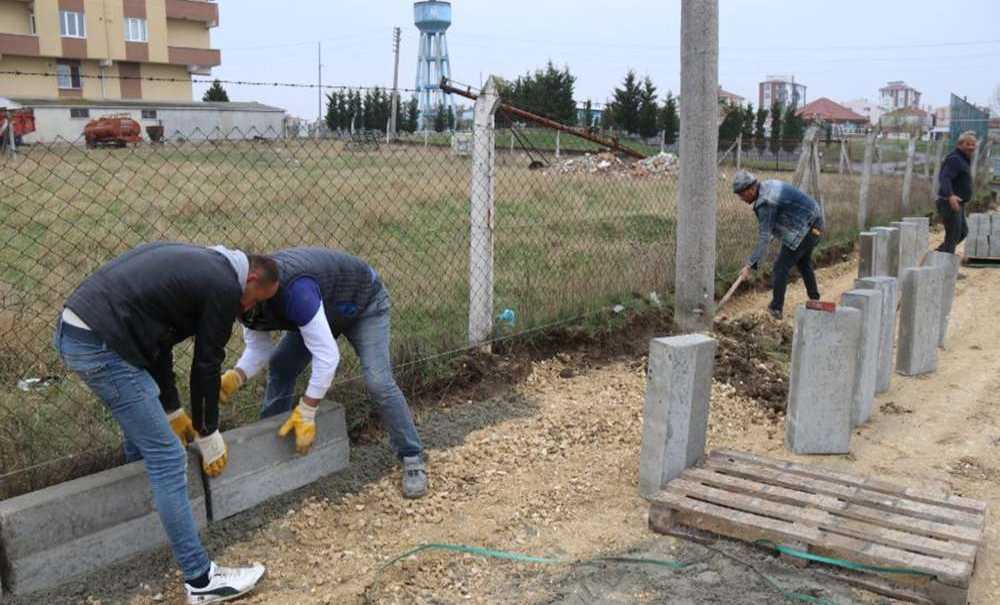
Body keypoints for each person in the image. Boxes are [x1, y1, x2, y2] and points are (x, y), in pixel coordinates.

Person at [55, 242, 279, 604]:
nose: (249, 309)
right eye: (255, 298)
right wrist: (208, 433)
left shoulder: (204, 265)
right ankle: (201, 580)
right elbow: (206, 365)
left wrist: (173, 411)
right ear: (250, 278)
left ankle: (154, 518)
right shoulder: (224, 287)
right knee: (169, 458)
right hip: (101, 346)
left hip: (82, 330)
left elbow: (157, 344)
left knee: (145, 428)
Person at [219, 247, 428, 499]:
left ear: (256, 286)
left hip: (362, 304)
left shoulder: (292, 291)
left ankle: (412, 456)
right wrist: (237, 375)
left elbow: (328, 357)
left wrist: (307, 411)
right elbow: (258, 347)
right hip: (321, 312)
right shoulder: (247, 298)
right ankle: (271, 445)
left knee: (378, 382)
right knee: (281, 366)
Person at [732, 170, 824, 319]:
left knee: (780, 267)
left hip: (807, 227)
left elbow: (764, 236)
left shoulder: (765, 203)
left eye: (742, 194)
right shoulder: (767, 186)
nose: (741, 198)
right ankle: (815, 301)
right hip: (814, 222)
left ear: (751, 188)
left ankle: (775, 310)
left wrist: (749, 265)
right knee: (803, 262)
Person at [936, 131, 977, 254]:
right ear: (959, 144)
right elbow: (944, 178)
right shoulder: (955, 159)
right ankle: (945, 271)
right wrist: (951, 196)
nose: (971, 147)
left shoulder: (963, 159)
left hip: (958, 204)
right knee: (952, 236)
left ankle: (939, 254)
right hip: (949, 203)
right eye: (968, 144)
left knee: (962, 233)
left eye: (973, 145)